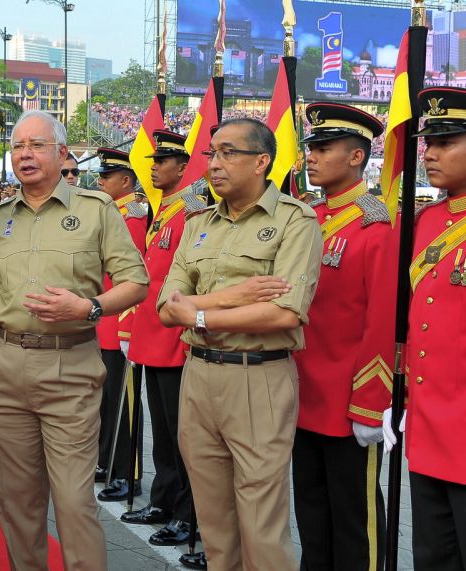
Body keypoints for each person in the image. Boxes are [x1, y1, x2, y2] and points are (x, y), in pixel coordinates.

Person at [0, 110, 149, 570]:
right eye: (17, 146)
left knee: (73, 502)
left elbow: (135, 281)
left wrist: (88, 308)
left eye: (36, 145)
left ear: (62, 153)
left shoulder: (96, 210)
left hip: (69, 368)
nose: (25, 154)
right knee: (17, 504)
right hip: (4, 370)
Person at [158, 118, 323, 571]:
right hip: (200, 376)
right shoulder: (197, 224)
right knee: (214, 524)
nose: (214, 164)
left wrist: (201, 313)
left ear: (261, 161)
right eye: (212, 153)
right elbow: (165, 305)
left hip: (259, 378)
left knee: (261, 526)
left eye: (229, 153)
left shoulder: (294, 220)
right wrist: (229, 299)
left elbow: (284, 312)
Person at [292, 103, 394, 570]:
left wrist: (371, 402)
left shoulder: (376, 226)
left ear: (356, 157)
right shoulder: (307, 217)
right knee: (311, 514)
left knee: (355, 523)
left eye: (323, 148)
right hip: (300, 391)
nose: (310, 157)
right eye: (311, 147)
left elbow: (381, 321)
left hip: (346, 398)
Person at [383, 86, 466, 571]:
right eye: (427, 143)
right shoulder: (429, 220)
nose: (428, 154)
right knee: (434, 555)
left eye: (445, 142)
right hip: (430, 423)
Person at [121, 130, 204, 548]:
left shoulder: (191, 210)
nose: (152, 167)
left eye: (161, 162)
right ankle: (164, 501)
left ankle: (189, 516)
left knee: (181, 437)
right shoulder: (165, 208)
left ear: (183, 167)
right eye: (152, 161)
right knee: (162, 432)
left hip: (175, 340)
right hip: (154, 338)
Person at [93, 147, 147, 502]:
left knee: (124, 403)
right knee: (106, 399)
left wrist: (127, 327)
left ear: (125, 181)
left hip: (120, 322)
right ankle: (106, 461)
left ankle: (129, 472)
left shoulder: (134, 217)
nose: (99, 181)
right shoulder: (112, 214)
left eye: (106, 176)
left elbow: (136, 276)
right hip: (103, 322)